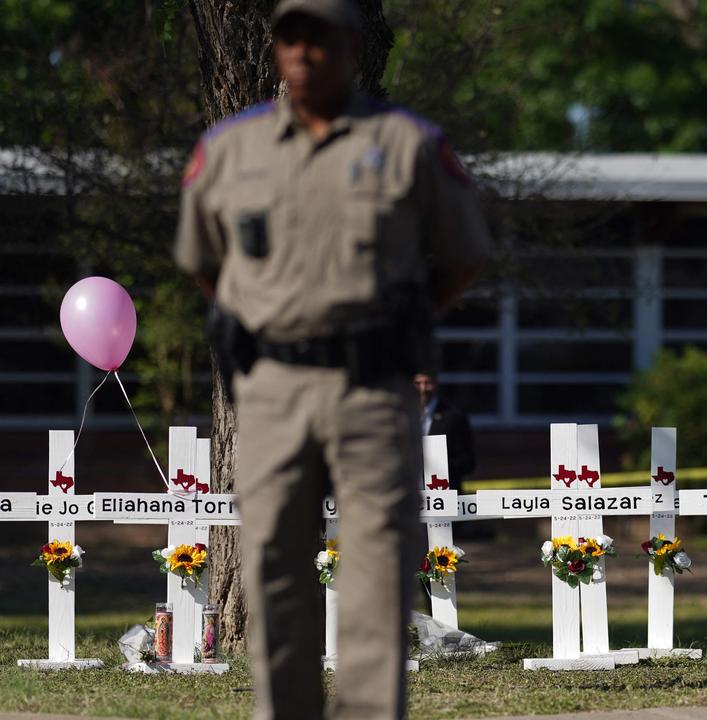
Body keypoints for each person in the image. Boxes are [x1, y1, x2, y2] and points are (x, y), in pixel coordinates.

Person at [173, 0, 490, 716]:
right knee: (275, 573)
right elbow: (202, 259)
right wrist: (268, 318)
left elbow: (464, 256)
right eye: (290, 39)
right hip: (274, 388)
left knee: (377, 576)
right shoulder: (230, 149)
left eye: (319, 39)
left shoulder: (409, 144)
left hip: (373, 388)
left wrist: (389, 322)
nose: (303, 54)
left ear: (352, 46)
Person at [413, 372, 476, 491]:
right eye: (418, 383)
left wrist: (436, 464)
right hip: (409, 498)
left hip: (444, 498)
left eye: (427, 383)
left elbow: (468, 463)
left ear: (436, 383)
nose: (423, 389)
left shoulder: (454, 416)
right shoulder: (400, 415)